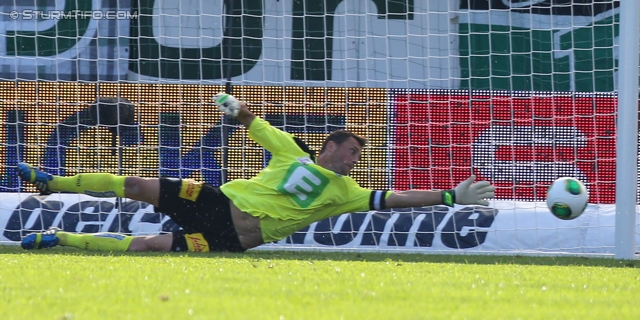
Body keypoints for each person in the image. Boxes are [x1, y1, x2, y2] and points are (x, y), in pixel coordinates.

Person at [18, 93, 496, 253]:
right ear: (330, 145)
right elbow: (252, 122)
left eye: (357, 156)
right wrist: (231, 105)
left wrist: (450, 196)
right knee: (137, 185)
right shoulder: (291, 152)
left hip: (235, 237)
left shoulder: (347, 191)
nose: (354, 160)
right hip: (213, 200)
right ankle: (50, 182)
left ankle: (58, 237)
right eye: (350, 151)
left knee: (149, 246)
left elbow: (394, 203)